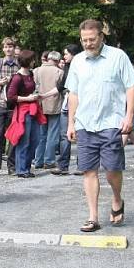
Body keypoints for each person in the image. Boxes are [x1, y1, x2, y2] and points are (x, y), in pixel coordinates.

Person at [66, 19, 134, 233]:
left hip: (111, 123)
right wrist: (71, 122)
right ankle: (93, 217)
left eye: (92, 39)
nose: (88, 43)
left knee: (112, 169)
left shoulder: (118, 57)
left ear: (101, 37)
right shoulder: (77, 62)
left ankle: (117, 199)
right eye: (84, 40)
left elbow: (130, 88)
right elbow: (73, 94)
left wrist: (129, 116)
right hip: (85, 123)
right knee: (88, 171)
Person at [5, 50, 46, 177]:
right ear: (28, 61)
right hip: (23, 112)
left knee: (35, 139)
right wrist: (28, 98)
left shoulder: (31, 74)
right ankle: (21, 169)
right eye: (33, 59)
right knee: (24, 140)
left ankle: (26, 167)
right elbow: (10, 96)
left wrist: (36, 96)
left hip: (33, 109)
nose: (34, 61)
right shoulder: (17, 77)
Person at [0, 37, 19, 174]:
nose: (8, 49)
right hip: (0, 103)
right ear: (3, 49)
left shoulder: (19, 64)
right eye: (6, 47)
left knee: (13, 136)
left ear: (14, 48)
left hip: (15, 105)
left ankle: (12, 166)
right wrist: (1, 82)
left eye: (10, 47)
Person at [52, 44, 82, 175]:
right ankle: (63, 165)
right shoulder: (67, 69)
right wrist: (43, 95)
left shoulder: (82, 67)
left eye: (66, 54)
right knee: (64, 136)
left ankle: (82, 165)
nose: (64, 57)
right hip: (66, 106)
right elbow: (60, 87)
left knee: (81, 135)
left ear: (73, 54)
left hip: (80, 106)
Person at [33, 51, 63, 169]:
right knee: (53, 134)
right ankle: (49, 160)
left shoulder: (36, 71)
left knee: (41, 134)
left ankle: (38, 160)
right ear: (56, 60)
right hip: (54, 106)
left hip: (39, 105)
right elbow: (62, 89)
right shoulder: (59, 72)